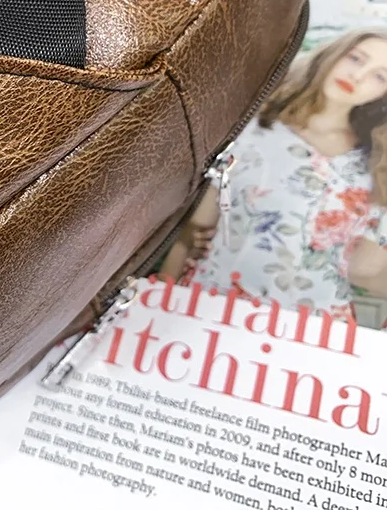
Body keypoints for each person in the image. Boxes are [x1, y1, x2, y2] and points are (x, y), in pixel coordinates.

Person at [160, 28, 387, 319]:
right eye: (356, 58)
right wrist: (159, 306)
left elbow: (365, 270)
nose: (358, 75)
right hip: (217, 304)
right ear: (335, 53)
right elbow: (191, 234)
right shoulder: (251, 127)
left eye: (379, 76)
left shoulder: (376, 164)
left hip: (316, 324)